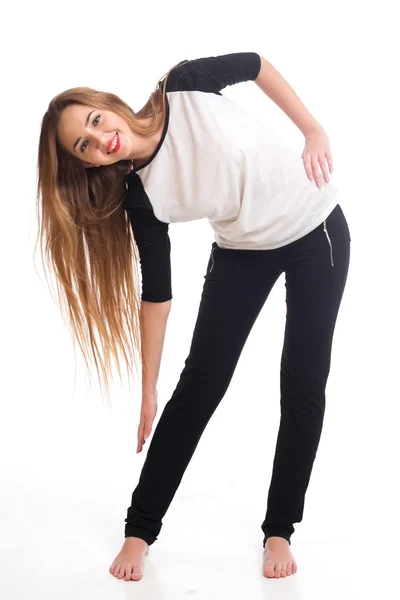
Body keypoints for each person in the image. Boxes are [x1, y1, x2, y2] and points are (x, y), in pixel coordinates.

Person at [36, 52, 351, 581]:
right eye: (83, 146)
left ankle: (279, 528)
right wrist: (148, 388)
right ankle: (140, 530)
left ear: (107, 106)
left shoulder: (185, 86)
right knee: (200, 386)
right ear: (86, 164)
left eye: (93, 121)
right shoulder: (139, 195)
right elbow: (157, 295)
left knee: (302, 382)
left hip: (314, 229)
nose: (99, 139)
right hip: (241, 250)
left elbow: (256, 65)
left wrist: (313, 130)